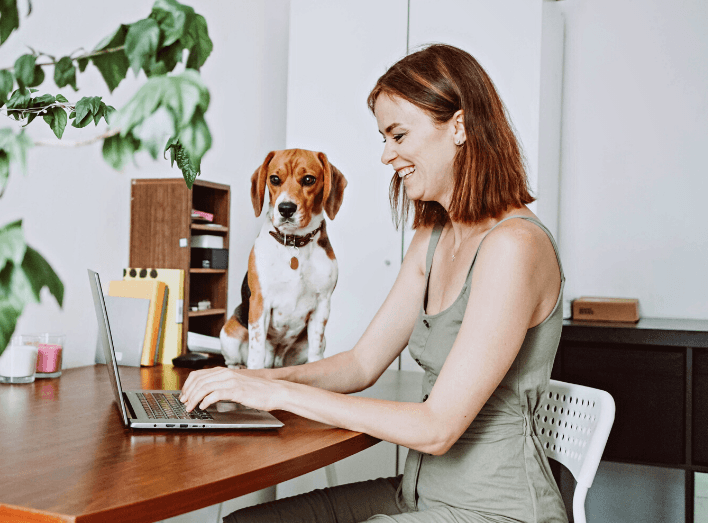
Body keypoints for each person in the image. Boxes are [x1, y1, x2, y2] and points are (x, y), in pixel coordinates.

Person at [180, 43, 568, 523]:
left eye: (399, 134)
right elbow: (361, 364)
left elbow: (437, 427)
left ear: (461, 126)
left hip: (495, 511)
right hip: (417, 494)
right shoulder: (433, 235)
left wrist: (279, 395)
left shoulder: (514, 247)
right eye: (384, 137)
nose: (386, 155)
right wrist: (249, 380)